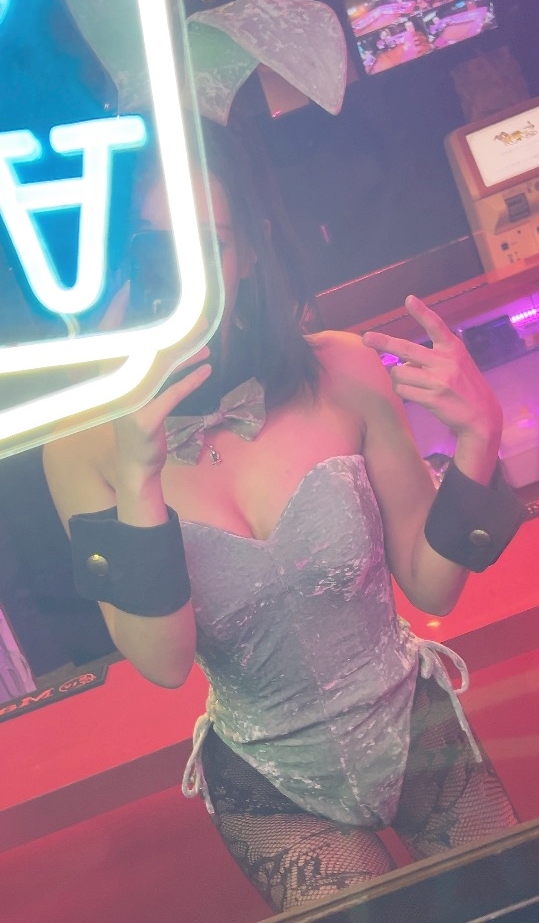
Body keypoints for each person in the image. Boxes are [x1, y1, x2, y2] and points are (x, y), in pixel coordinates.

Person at [43, 116, 526, 914]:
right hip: (267, 780)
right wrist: (137, 476)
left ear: (252, 248)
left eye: (209, 244)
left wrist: (479, 439)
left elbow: (430, 584)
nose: (183, 281)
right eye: (151, 251)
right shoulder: (78, 446)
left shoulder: (342, 369)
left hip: (411, 722)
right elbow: (163, 662)